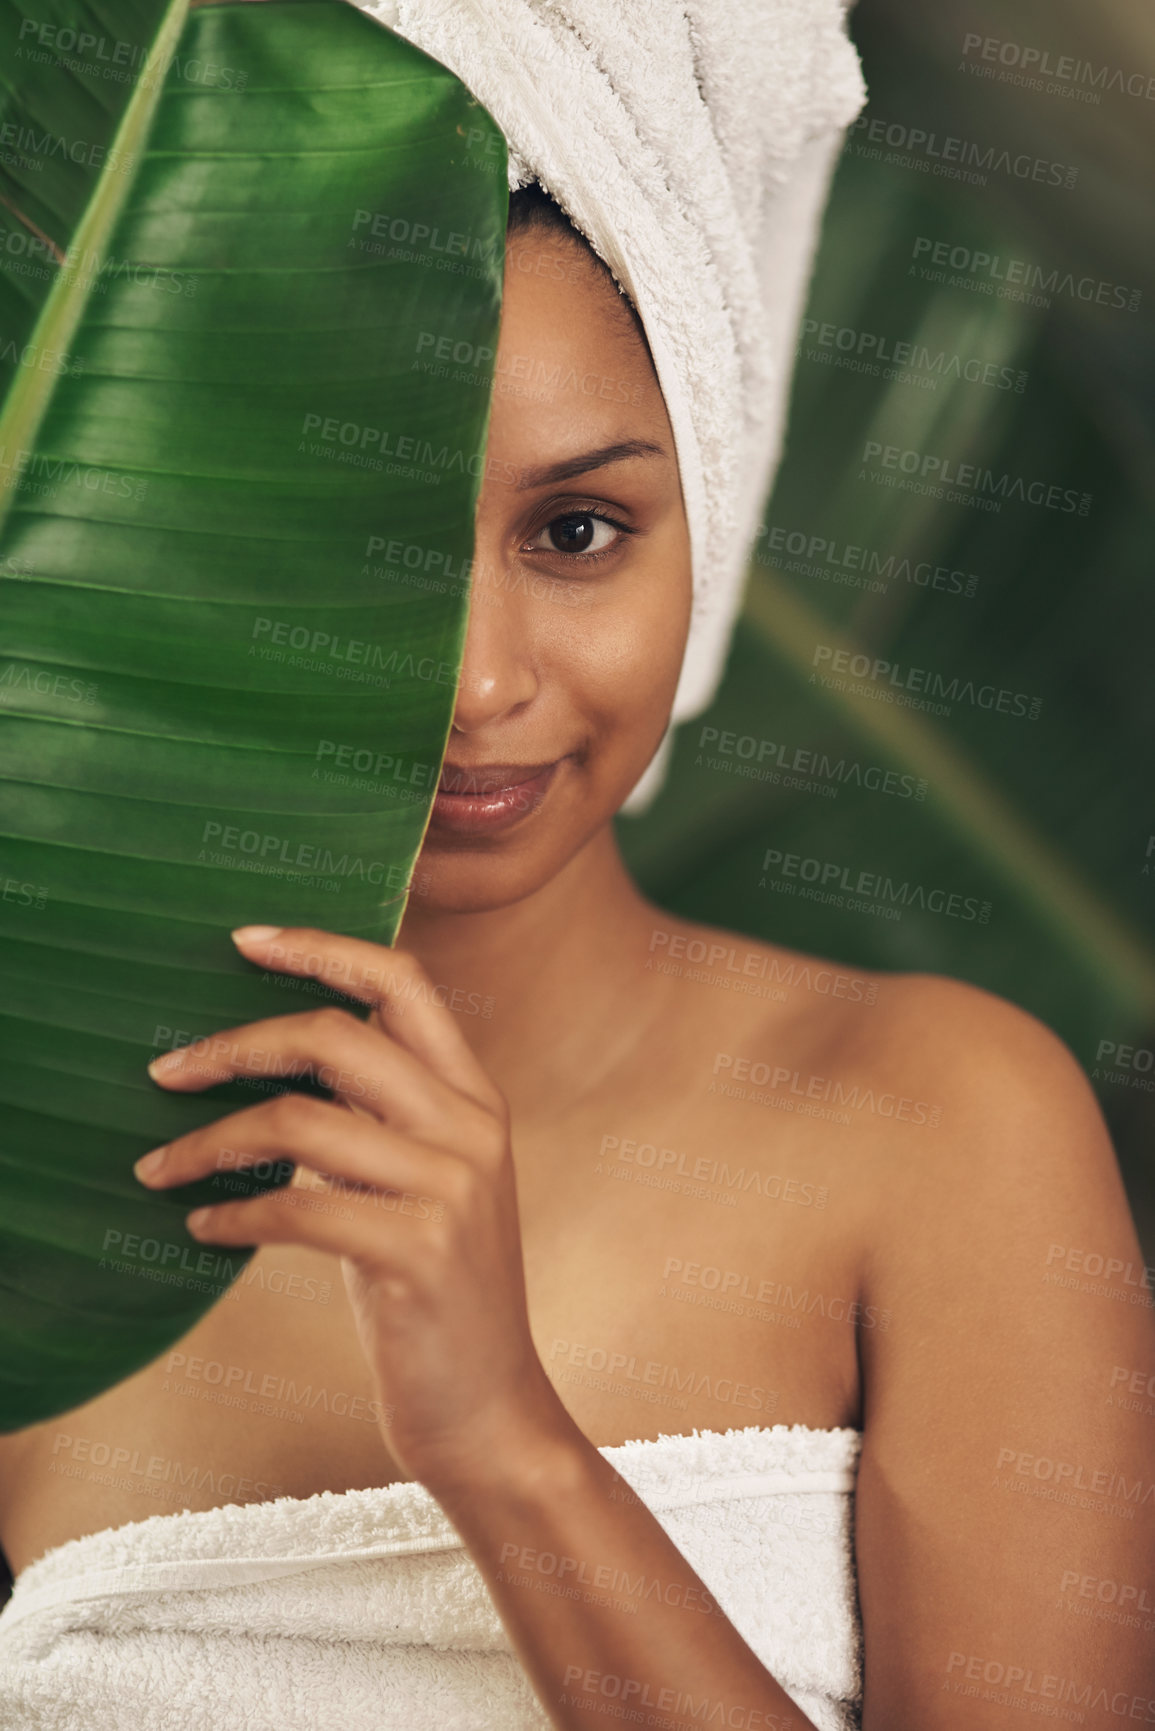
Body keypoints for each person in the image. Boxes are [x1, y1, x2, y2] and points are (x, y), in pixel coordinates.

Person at [0, 185, 1152, 1731]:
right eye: (372, 548)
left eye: (578, 531)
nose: (480, 681)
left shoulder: (940, 1116)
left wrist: (504, 1445)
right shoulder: (45, 1175)